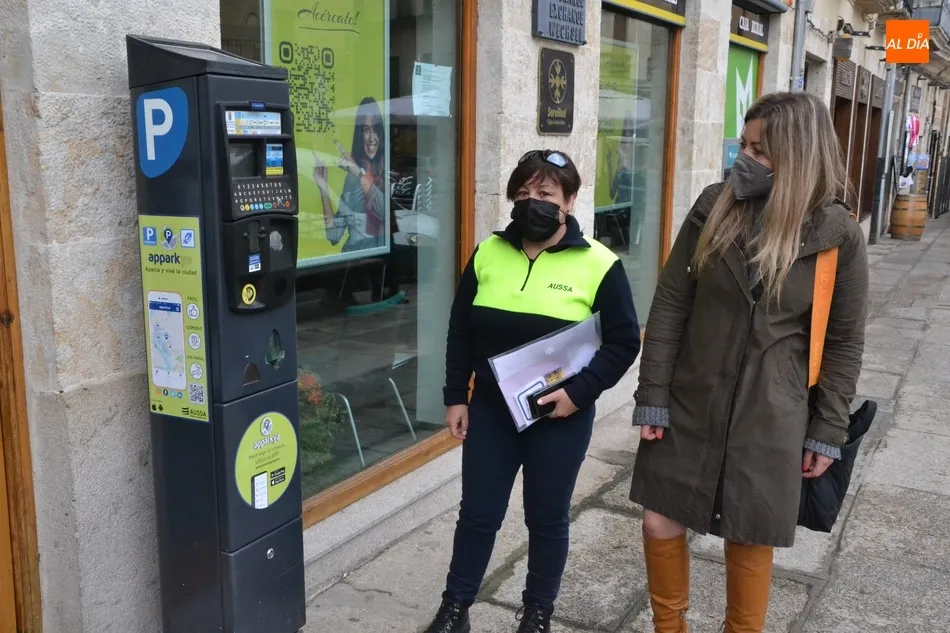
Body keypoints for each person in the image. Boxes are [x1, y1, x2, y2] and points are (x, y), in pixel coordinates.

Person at [629, 92, 868, 633]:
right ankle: (670, 628)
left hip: (774, 409)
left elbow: (845, 342)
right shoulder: (715, 205)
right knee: (659, 514)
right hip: (692, 394)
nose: (746, 157)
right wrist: (653, 395)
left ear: (798, 153)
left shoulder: (839, 236)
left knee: (749, 529)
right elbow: (670, 304)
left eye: (759, 149)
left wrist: (827, 429)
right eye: (745, 143)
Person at [424, 150, 642, 633]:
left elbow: (625, 341)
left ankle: (537, 612)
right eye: (522, 194)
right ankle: (455, 608)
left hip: (559, 416)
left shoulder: (600, 264)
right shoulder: (487, 254)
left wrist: (580, 393)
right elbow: (461, 330)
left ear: (569, 200)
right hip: (491, 415)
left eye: (544, 194)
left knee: (546, 518)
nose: (531, 203)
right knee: (478, 515)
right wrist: (456, 395)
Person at [312, 96, 400, 302]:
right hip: (356, 276)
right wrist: (323, 187)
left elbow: (383, 211)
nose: (371, 137)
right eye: (365, 130)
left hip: (381, 278)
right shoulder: (352, 181)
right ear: (359, 136)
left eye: (375, 129)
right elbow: (334, 237)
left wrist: (358, 173)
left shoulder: (385, 173)